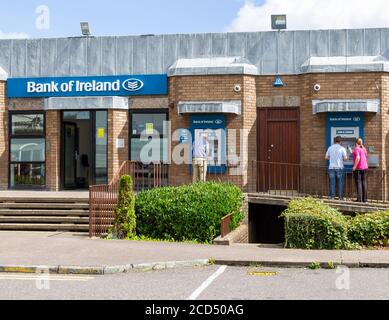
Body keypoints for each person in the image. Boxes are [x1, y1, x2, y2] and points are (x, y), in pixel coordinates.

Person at [325, 136, 348, 200]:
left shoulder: (330, 148)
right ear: (340, 141)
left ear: (334, 141)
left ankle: (332, 197)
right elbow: (345, 158)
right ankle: (340, 197)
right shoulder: (342, 148)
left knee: (332, 182)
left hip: (331, 167)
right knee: (340, 183)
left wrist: (332, 159)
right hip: (339, 167)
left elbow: (326, 157)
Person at [352, 138, 369, 203]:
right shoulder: (363, 149)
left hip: (358, 168)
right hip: (365, 167)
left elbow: (358, 157)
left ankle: (360, 199)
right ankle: (365, 199)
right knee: (364, 182)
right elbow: (365, 155)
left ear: (356, 143)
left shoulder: (356, 149)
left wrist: (354, 167)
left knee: (358, 183)